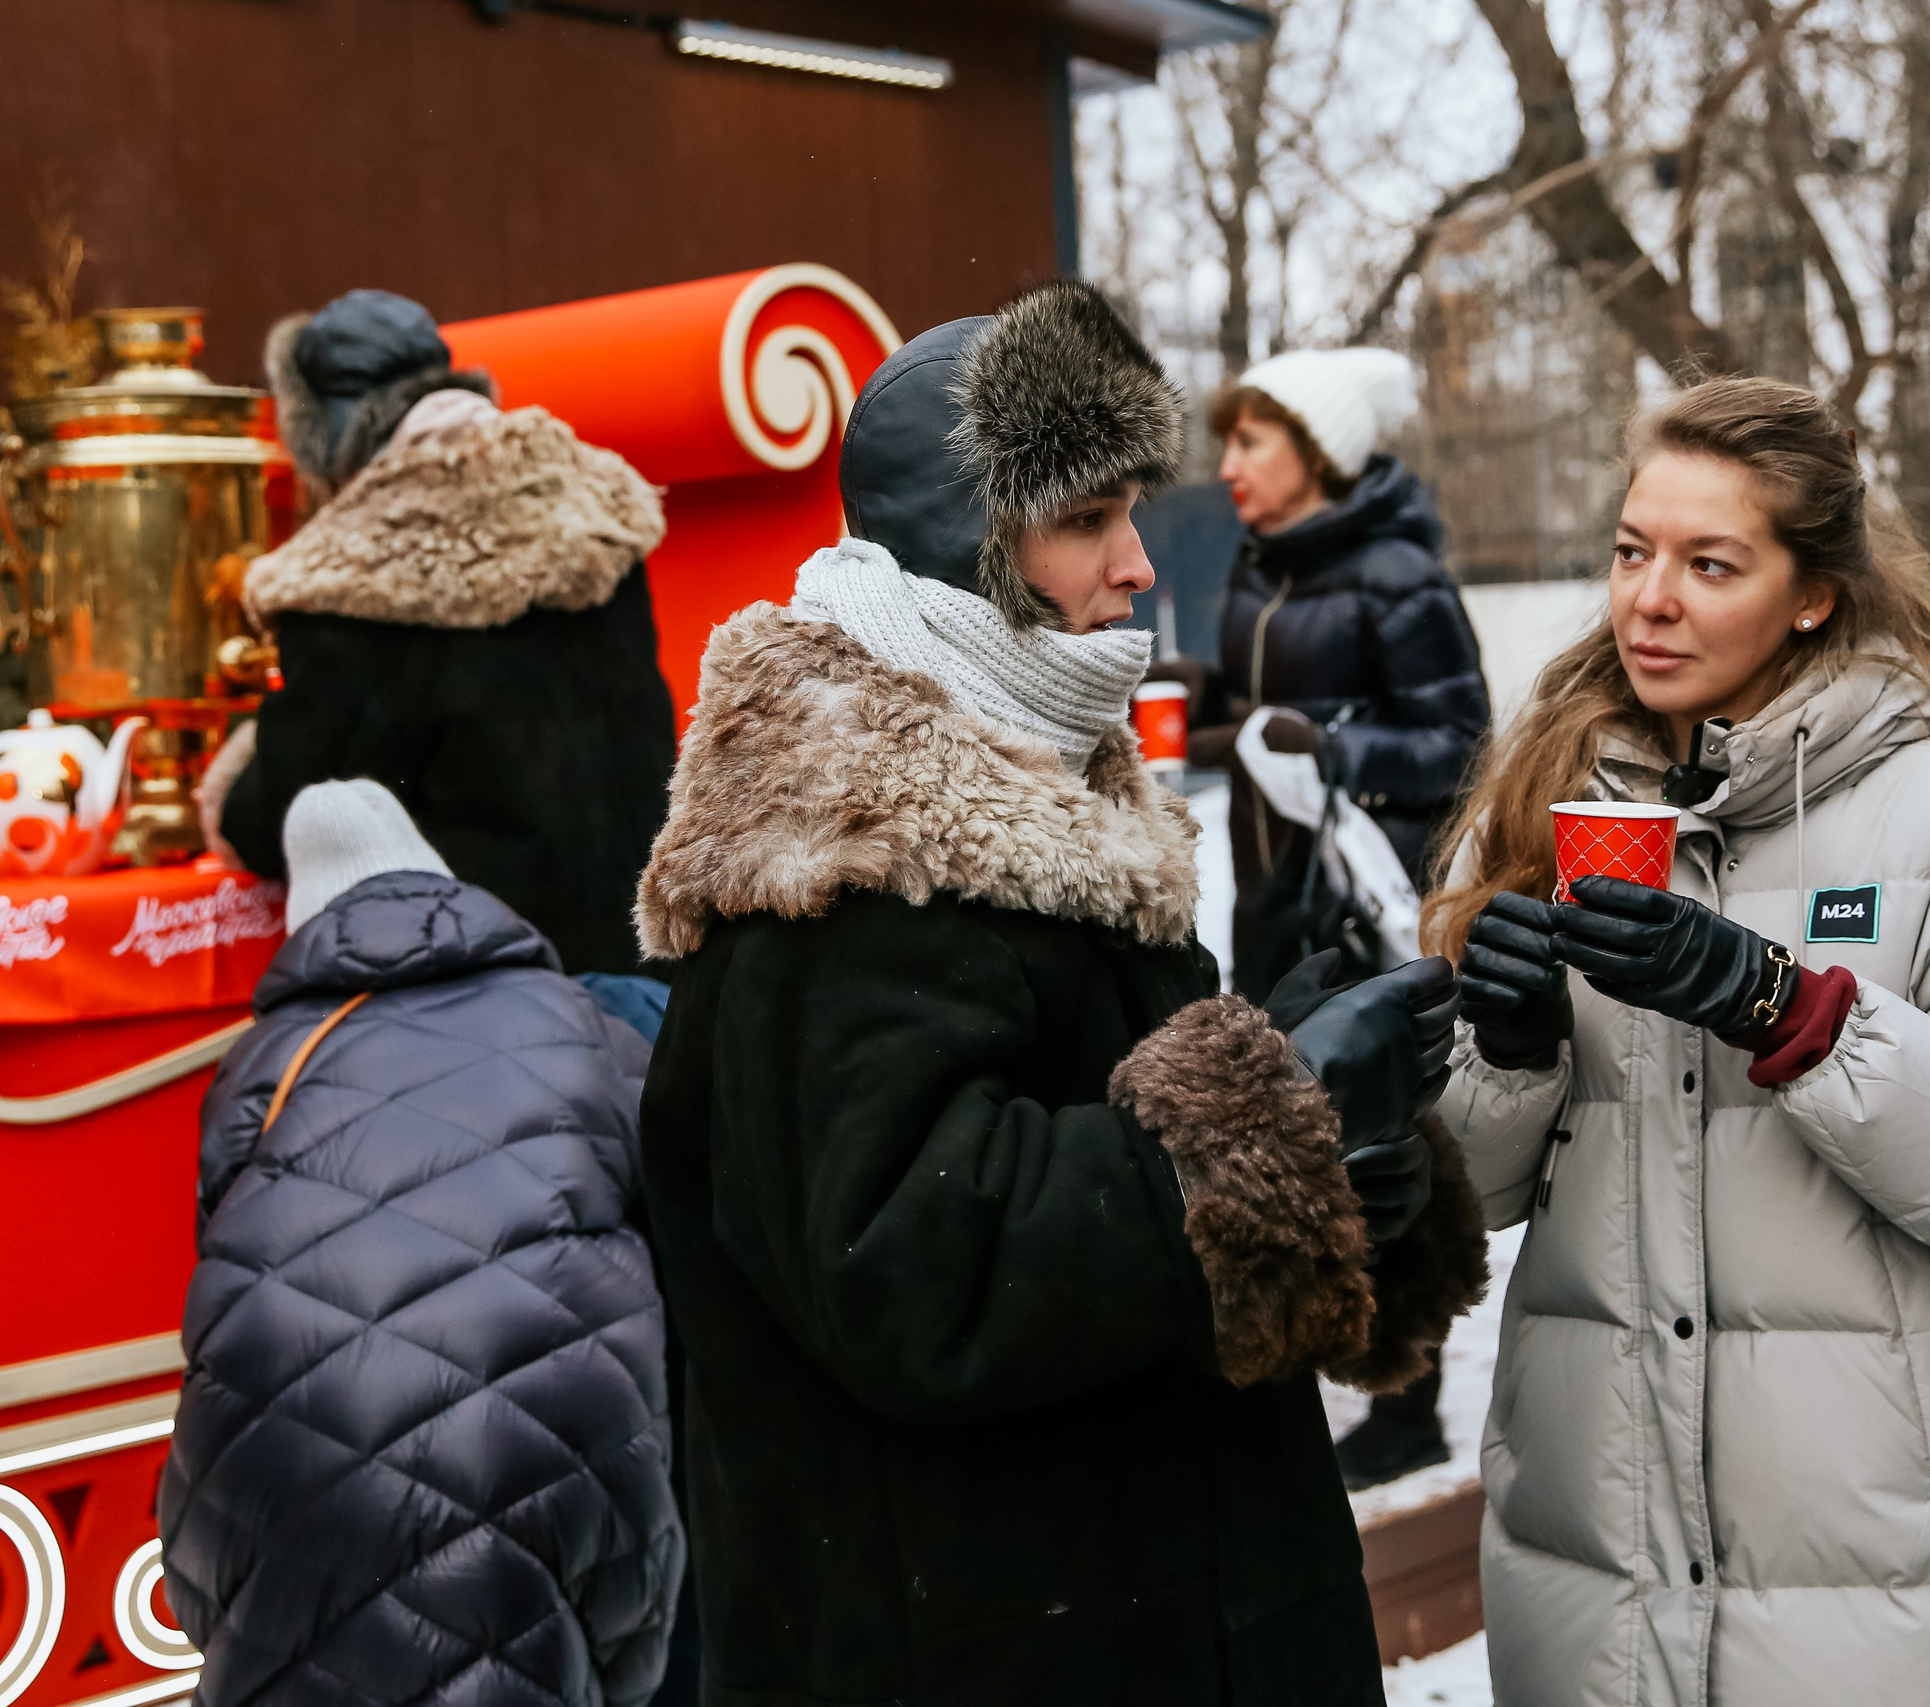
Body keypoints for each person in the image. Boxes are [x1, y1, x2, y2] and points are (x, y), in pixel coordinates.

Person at [633, 280, 1488, 1707]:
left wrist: (1347, 1149)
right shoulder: (839, 844)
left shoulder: (1048, 773)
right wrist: (1272, 1119)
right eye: (1086, 520)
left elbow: (1147, 1209)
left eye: (1129, 512)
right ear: (971, 547)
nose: (1139, 564)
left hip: (1149, 1597)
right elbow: (908, 1259)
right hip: (988, 1638)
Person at [1429, 376, 1930, 1705]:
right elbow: (1460, 1206)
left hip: (1896, 1589)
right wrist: (1505, 1052)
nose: (1649, 597)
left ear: (1812, 591)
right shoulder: (1538, 811)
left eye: (1711, 563)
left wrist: (1794, 1013)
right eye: (1634, 550)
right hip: (1602, 1574)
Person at [159, 779, 684, 1707]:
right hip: (550, 1447)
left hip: (286, 1476)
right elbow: (669, 1220)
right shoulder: (581, 1021)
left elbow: (224, 1240)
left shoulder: (262, 1064)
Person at [200, 288, 677, 976]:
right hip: (654, 967)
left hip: (496, 986)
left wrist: (229, 783)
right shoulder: (591, 502)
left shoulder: (350, 577)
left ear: (319, 432)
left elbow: (288, 815)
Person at [1190, 348, 1489, 1003]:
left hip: (1365, 912)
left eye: (1248, 443)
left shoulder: (1401, 577)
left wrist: (1332, 752)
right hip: (1266, 900)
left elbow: (1462, 747)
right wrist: (1202, 697)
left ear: (1318, 450)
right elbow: (1269, 714)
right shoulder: (1261, 565)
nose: (1226, 467)